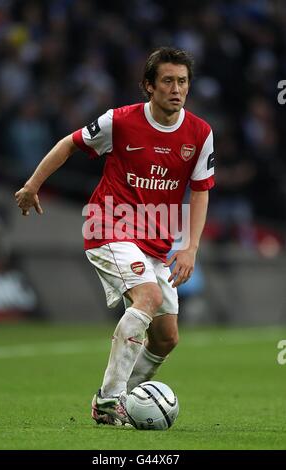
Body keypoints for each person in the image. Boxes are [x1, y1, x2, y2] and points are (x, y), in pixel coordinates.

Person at [15, 47, 215, 427]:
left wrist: (190, 246)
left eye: (183, 81)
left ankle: (123, 399)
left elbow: (201, 188)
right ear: (149, 86)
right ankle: (110, 400)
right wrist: (32, 185)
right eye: (168, 81)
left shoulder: (200, 133)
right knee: (148, 297)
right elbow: (69, 144)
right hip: (109, 227)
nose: (177, 89)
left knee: (167, 337)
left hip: (157, 242)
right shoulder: (119, 121)